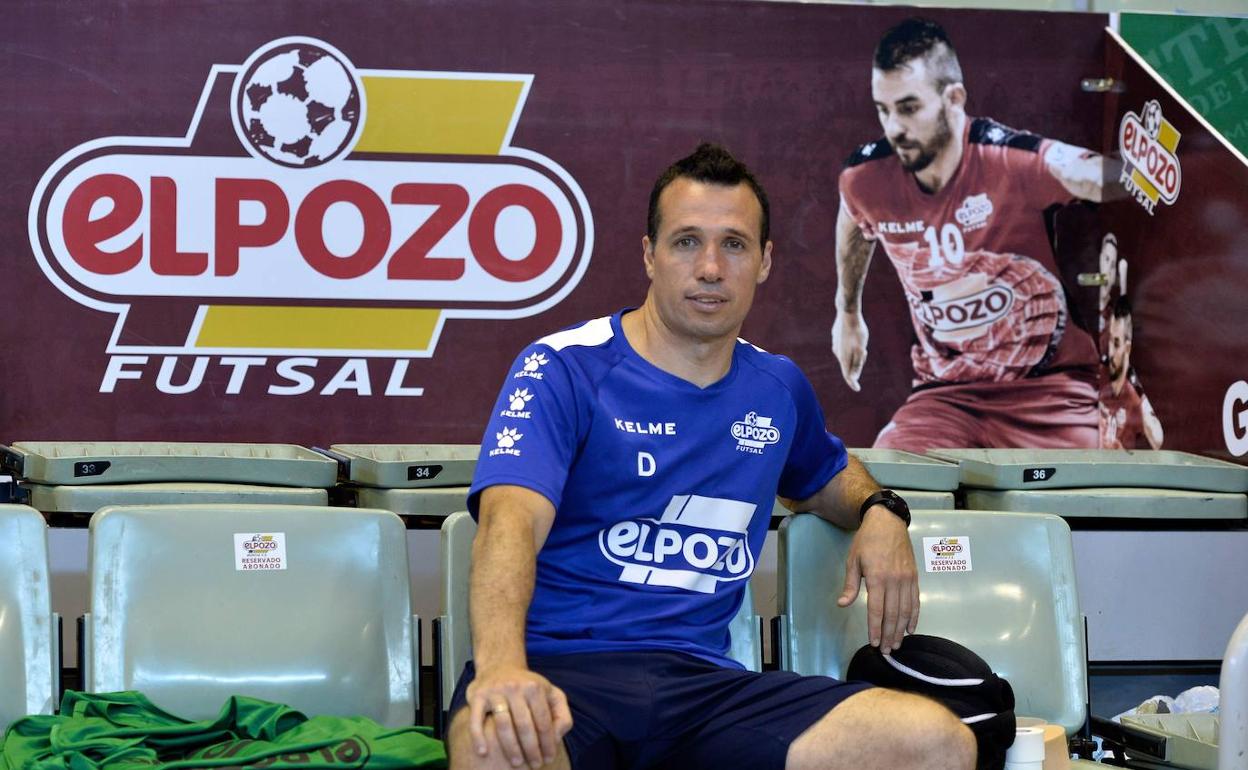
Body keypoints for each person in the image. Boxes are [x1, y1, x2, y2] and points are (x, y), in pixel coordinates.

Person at [447, 144, 976, 770]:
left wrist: (882, 512)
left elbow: (826, 477)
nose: (709, 268)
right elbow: (508, 525)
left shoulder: (776, 389)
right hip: (561, 673)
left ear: (764, 261)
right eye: (685, 242)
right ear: (648, 254)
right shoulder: (561, 367)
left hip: (704, 689)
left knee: (936, 742)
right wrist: (505, 670)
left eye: (733, 244)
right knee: (492, 749)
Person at [832, 17, 1108, 451]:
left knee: (1105, 497)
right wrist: (847, 313)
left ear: (954, 98)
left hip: (1053, 393)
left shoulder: (1010, 160)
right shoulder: (867, 177)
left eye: (908, 108)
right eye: (883, 110)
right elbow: (853, 217)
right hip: (946, 399)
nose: (894, 129)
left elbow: (1098, 174)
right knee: (885, 481)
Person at [1099, 296, 1163, 449]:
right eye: (1109, 342)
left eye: (1116, 344)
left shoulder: (1137, 396)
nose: (1111, 351)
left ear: (1127, 348)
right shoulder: (1097, 377)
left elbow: (1158, 440)